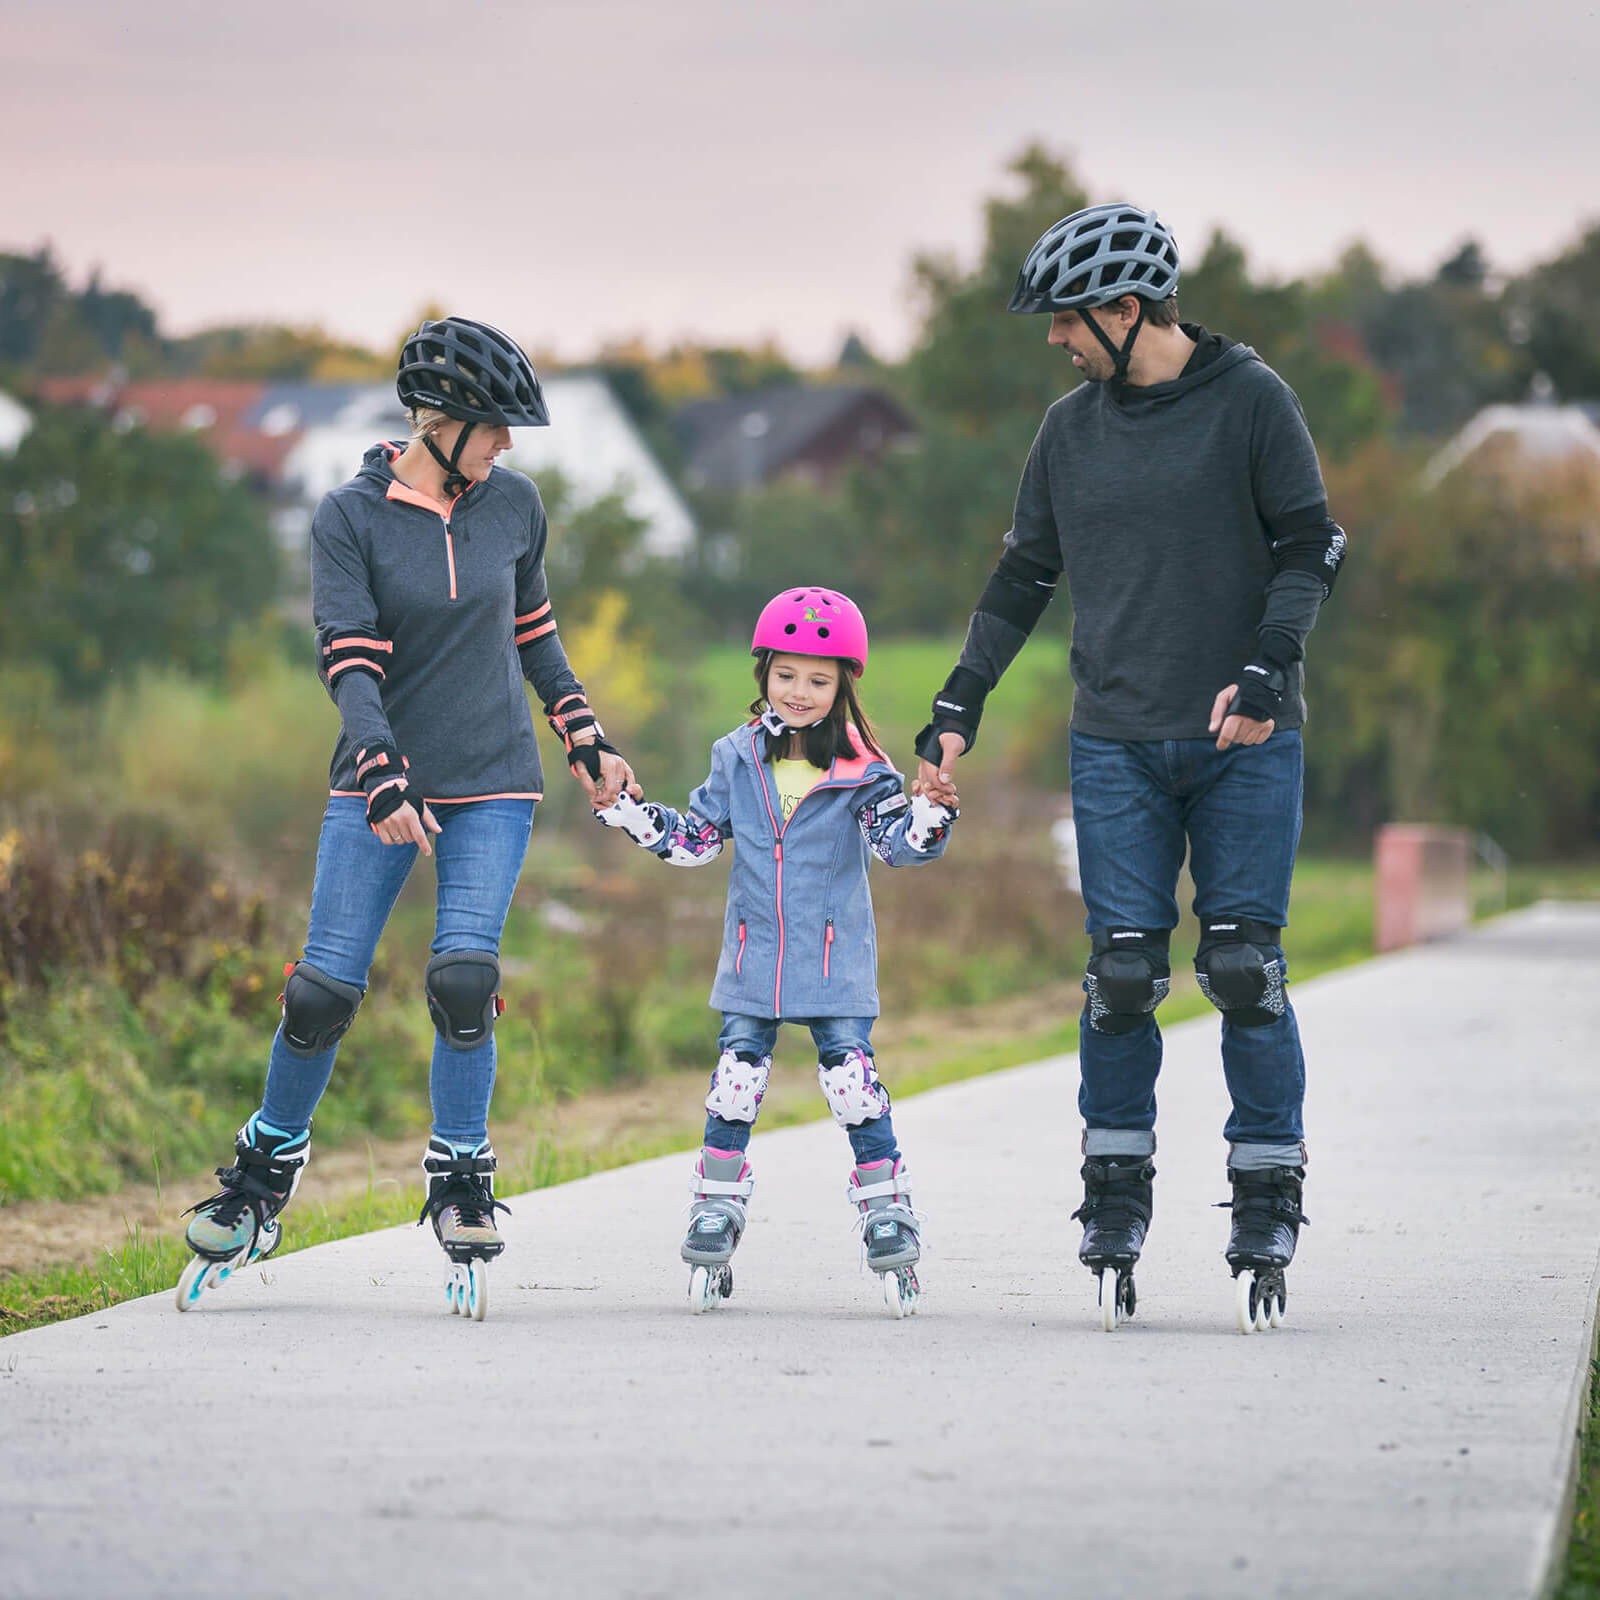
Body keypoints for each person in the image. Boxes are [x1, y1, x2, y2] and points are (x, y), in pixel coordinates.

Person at [914, 203, 1347, 1333]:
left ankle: (1265, 1196)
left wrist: (1265, 669)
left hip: (1243, 740)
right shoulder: (1068, 430)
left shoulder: (1252, 401)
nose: (1055, 341)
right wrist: (959, 700)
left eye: (1065, 320)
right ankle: (1113, 1195)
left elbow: (1311, 545)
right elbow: (1022, 578)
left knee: (1243, 967)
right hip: (1112, 738)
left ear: (1122, 310)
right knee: (1118, 976)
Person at [177, 316, 636, 1318]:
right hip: (378, 781)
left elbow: (536, 636)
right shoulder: (350, 517)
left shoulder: (512, 505)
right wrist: (381, 770)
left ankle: (461, 1178)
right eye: (495, 426)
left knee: (463, 978)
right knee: (320, 993)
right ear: (440, 424)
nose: (509, 445)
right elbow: (347, 654)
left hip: (495, 781)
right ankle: (265, 1175)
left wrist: (585, 737)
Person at [594, 587, 957, 1318]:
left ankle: (886, 1209)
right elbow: (697, 842)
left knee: (853, 1087)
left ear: (843, 687)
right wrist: (631, 815)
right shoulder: (735, 758)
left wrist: (930, 815)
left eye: (819, 680)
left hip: (834, 963)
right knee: (735, 1083)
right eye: (787, 674)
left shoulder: (866, 768)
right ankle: (715, 1206)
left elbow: (896, 849)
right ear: (763, 674)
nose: (800, 692)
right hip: (753, 958)